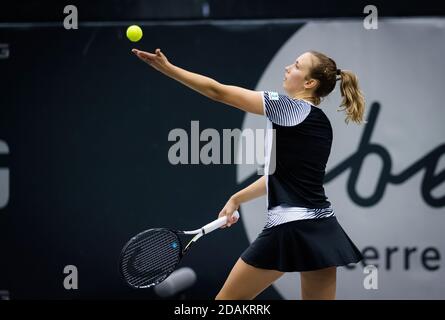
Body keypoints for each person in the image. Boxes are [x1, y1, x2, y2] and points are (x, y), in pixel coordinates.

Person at [132, 48, 365, 300]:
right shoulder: (321, 123)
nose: (288, 68)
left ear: (309, 83)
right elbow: (283, 177)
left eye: (297, 66)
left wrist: (168, 69)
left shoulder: (286, 107)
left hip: (288, 228)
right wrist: (237, 198)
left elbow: (217, 92)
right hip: (322, 229)